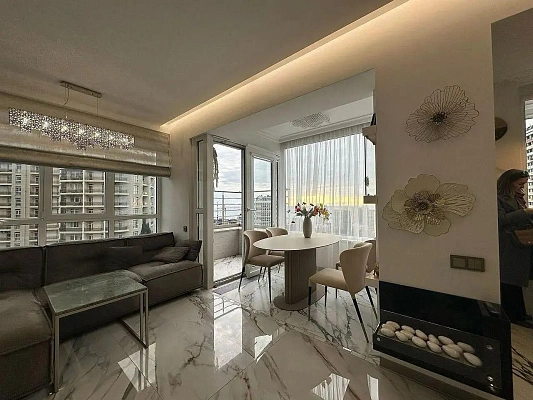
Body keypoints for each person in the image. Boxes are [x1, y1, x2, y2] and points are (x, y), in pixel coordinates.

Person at [497, 169, 533, 327]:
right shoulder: (498, 198)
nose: (522, 187)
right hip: (508, 244)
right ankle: (514, 315)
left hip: (519, 244)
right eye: (520, 184)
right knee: (509, 281)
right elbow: (501, 220)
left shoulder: (517, 197)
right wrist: (525, 212)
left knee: (515, 282)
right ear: (509, 183)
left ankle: (520, 314)